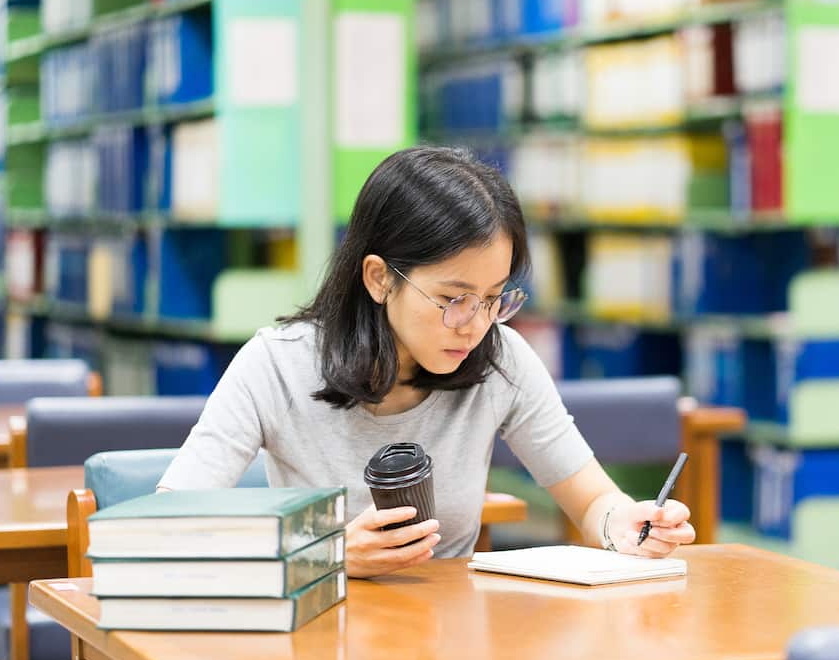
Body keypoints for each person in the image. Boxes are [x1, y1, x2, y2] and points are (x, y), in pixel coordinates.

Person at [158, 145, 695, 577]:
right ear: (378, 278)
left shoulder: (502, 359)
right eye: (453, 298)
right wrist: (322, 553)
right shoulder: (277, 365)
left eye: (493, 298)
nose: (475, 323)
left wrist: (622, 523)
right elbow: (169, 522)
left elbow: (592, 498)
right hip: (315, 635)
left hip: (447, 644)